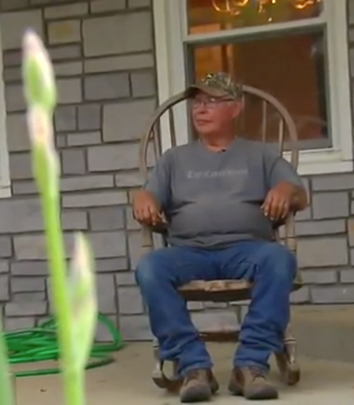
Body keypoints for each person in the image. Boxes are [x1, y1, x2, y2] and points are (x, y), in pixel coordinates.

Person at [132, 72, 308, 402]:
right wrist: (142, 198)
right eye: (197, 102)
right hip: (188, 252)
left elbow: (300, 196)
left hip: (249, 249)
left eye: (212, 102)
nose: (200, 109)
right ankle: (193, 366)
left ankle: (250, 366)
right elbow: (149, 195)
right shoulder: (174, 159)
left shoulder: (261, 155)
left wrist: (286, 188)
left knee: (279, 259)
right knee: (150, 268)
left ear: (236, 108)